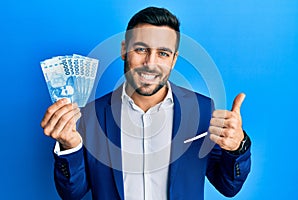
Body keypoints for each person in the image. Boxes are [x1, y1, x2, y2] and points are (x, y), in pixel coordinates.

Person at [41, 6, 251, 200]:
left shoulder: (203, 110)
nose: (150, 63)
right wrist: (70, 146)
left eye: (162, 53)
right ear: (124, 49)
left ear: (173, 59)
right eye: (141, 49)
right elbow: (72, 193)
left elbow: (228, 186)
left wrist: (237, 147)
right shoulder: (91, 115)